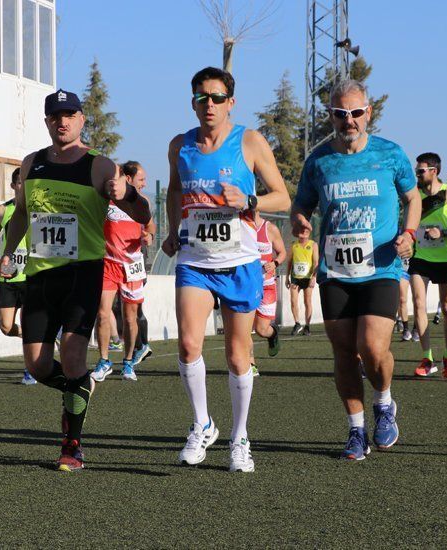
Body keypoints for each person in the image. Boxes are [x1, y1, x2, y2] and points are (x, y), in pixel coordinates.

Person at [0, 89, 150, 472]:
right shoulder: (32, 163)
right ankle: (79, 386)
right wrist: (7, 251)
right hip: (40, 274)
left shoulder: (99, 166)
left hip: (83, 273)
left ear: (82, 119)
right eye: (54, 116)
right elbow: (21, 215)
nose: (61, 122)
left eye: (69, 115)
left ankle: (72, 444)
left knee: (72, 354)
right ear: (46, 121)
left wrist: (127, 192)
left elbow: (143, 212)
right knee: (35, 364)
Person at [162, 67, 290, 472]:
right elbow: (175, 191)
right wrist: (171, 230)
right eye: (202, 98)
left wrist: (249, 200)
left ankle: (240, 437)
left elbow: (283, 197)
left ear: (231, 102)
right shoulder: (180, 146)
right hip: (195, 261)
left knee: (238, 355)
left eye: (217, 98)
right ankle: (202, 423)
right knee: (188, 345)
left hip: (240, 261)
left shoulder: (249, 142)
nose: (209, 105)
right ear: (193, 102)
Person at [291, 78, 421, 460]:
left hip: (380, 266)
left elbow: (412, 198)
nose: (349, 121)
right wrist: (299, 222)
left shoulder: (391, 154)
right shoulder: (318, 160)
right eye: (340, 114)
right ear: (330, 115)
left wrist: (409, 233)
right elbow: (302, 205)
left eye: (356, 113)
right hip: (336, 271)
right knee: (344, 352)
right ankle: (356, 429)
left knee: (372, 346)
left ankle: (384, 402)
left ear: (369, 113)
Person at [91, 160, 156, 382]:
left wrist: (149, 236)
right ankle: (104, 360)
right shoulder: (105, 201)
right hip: (108, 263)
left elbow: (150, 227)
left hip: (132, 266)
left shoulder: (143, 201)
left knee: (130, 318)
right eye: (141, 179)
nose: (144, 184)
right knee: (102, 313)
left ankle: (128, 362)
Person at [409, 153, 447, 379]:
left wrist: (443, 232)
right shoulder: (414, 194)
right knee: (418, 303)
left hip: (445, 259)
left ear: (434, 171)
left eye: (421, 171)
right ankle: (427, 357)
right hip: (421, 258)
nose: (417, 174)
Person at [0, 168, 36, 386]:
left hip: (30, 277)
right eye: (19, 183)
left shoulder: (37, 211)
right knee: (6, 327)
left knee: (27, 320)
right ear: (13, 185)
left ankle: (30, 369)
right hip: (8, 277)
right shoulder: (2, 211)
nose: (23, 187)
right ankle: (37, 336)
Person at [250, 211, 286, 376]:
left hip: (267, 286)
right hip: (246, 286)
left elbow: (282, 252)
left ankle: (273, 334)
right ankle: (251, 365)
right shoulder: (239, 227)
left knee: (261, 329)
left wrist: (275, 263)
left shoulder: (270, 228)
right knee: (243, 330)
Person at [287, 227, 317, 335]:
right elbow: (289, 262)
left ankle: (307, 326)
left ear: (309, 233)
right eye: (301, 231)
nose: (303, 233)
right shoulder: (293, 245)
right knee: (293, 301)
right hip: (295, 277)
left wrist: (314, 277)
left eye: (306, 231)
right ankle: (297, 323)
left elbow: (316, 262)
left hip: (308, 277)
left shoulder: (313, 245)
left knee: (307, 301)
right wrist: (287, 277)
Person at [397, 257, 413, 341]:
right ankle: (406, 329)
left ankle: (416, 328)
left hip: (418, 269)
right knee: (402, 299)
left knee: (418, 300)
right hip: (403, 269)